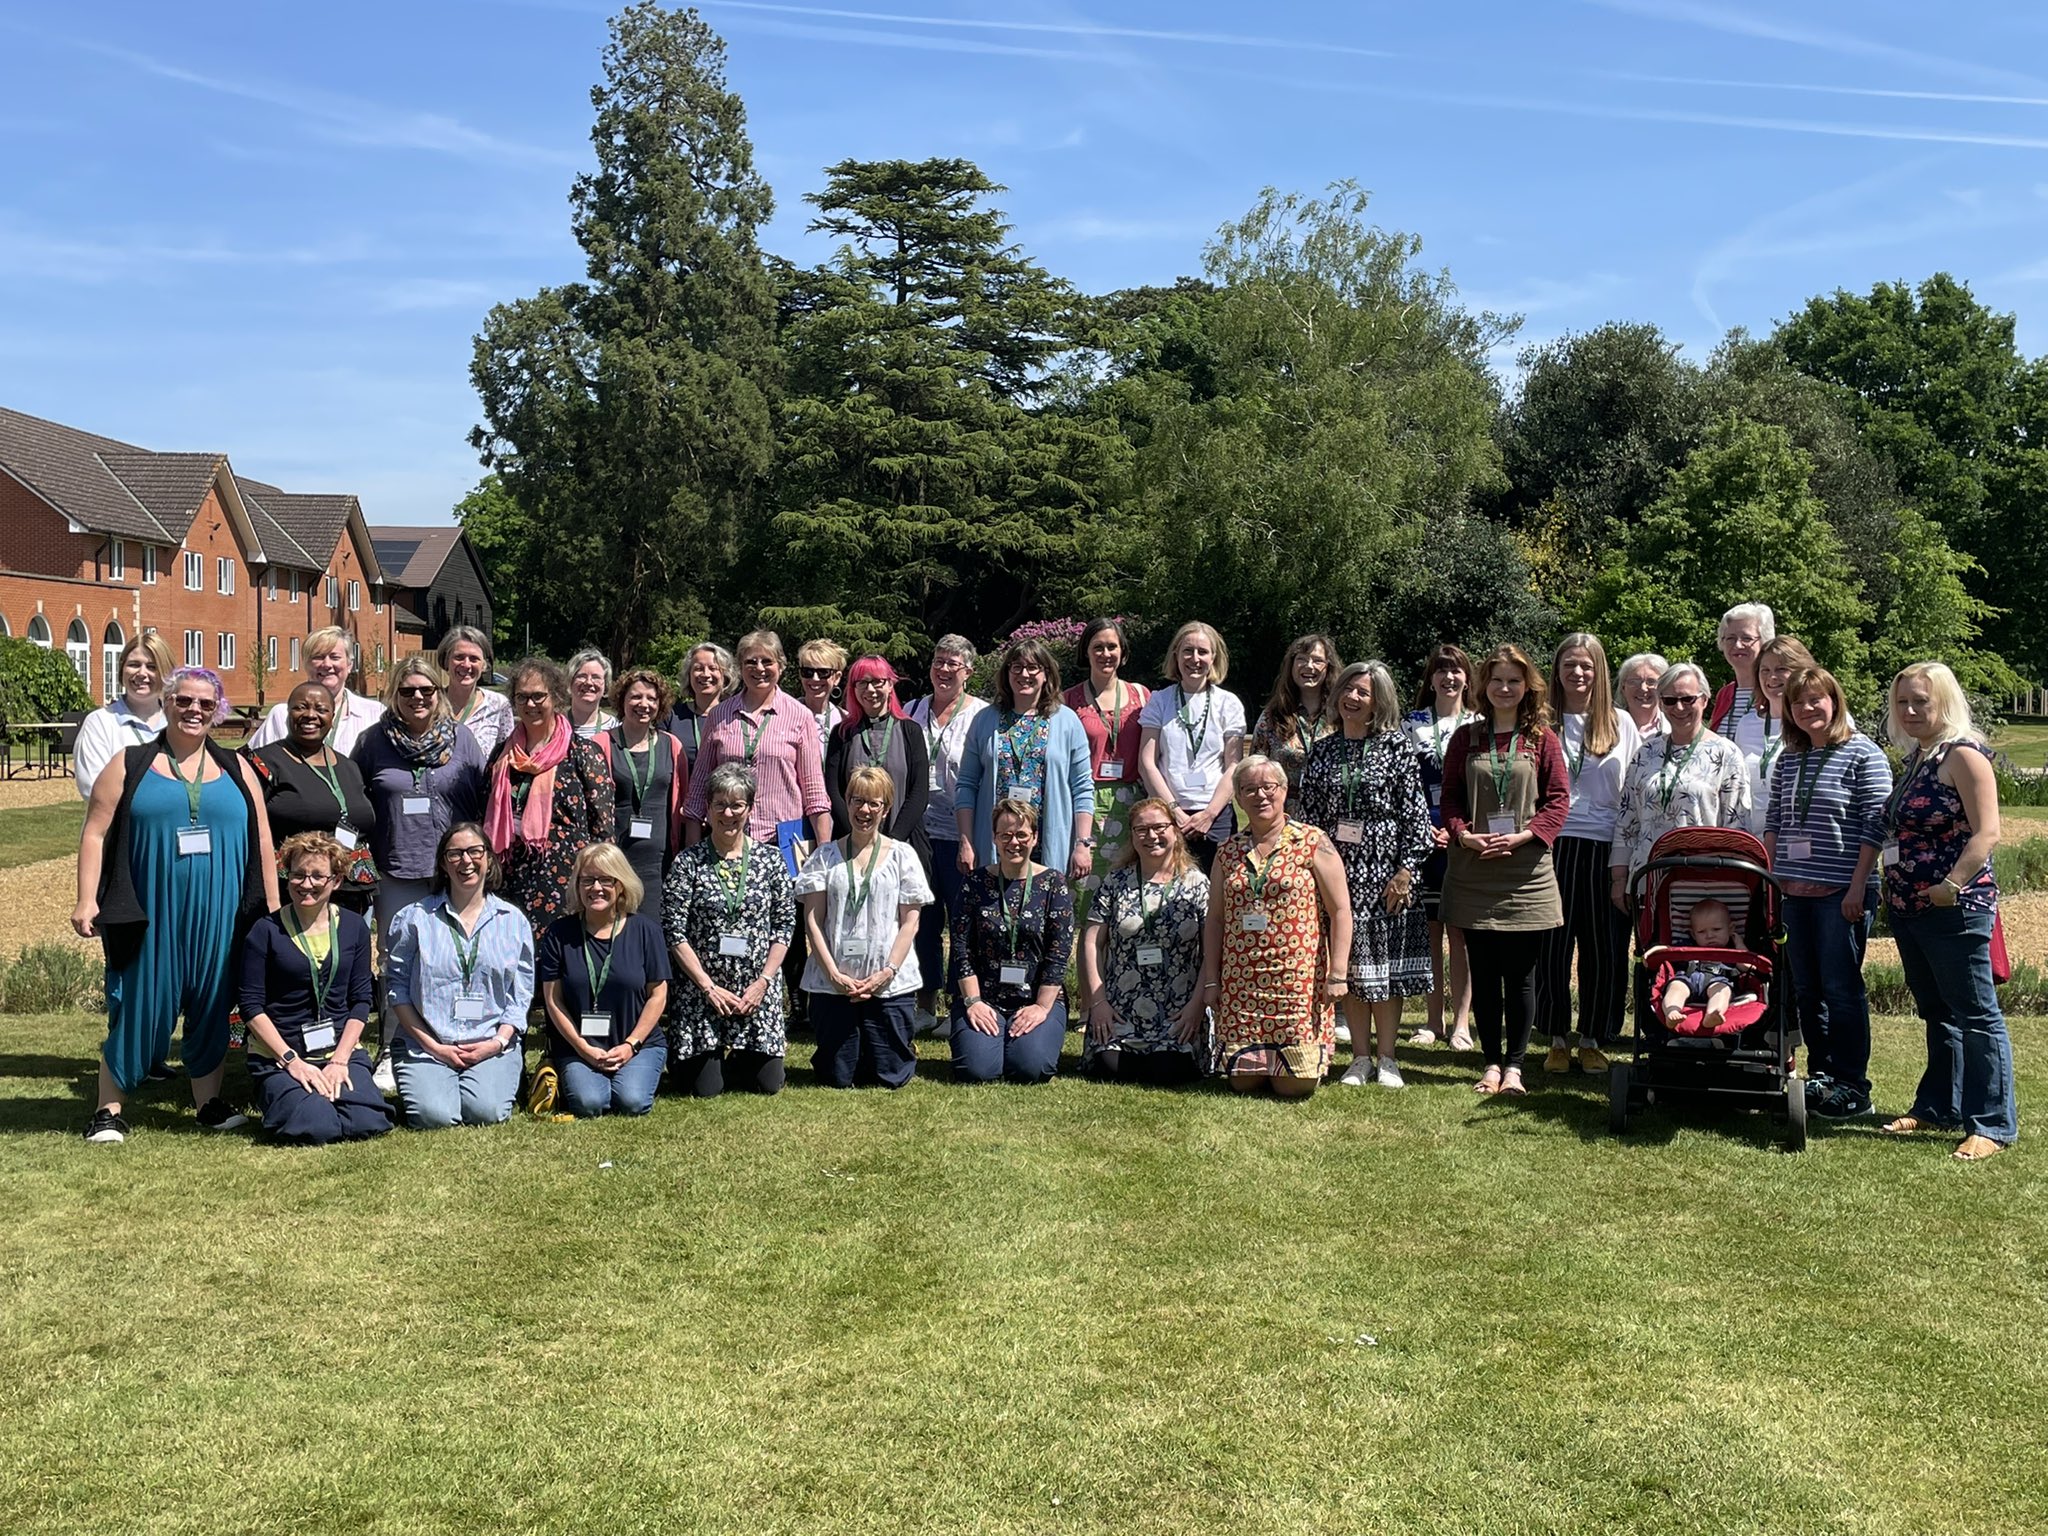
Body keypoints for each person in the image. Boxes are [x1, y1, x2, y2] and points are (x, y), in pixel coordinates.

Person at [75, 665, 277, 1143]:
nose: (194, 711)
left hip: (222, 912)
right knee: (142, 1002)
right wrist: (87, 899)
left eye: (206, 704)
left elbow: (262, 839)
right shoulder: (130, 762)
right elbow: (95, 832)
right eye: (184, 700)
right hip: (151, 910)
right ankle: (108, 1109)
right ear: (167, 703)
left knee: (213, 1003)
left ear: (218, 711)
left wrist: (270, 907)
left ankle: (207, 1103)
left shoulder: (237, 767)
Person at [1878, 662, 2016, 1162]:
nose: (1911, 710)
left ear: (1944, 703)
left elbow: (1987, 833)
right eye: (1903, 702)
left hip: (1954, 907)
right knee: (1939, 1014)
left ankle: (1993, 1124)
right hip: (1910, 907)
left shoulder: (1963, 755)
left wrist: (1952, 885)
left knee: (1977, 1015)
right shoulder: (1918, 757)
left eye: (1921, 701)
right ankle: (1938, 1106)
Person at [352, 655, 488, 1092]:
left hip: (455, 871)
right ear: (395, 693)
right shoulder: (373, 741)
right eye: (407, 690)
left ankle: (452, 1042)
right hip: (395, 870)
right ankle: (394, 1049)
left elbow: (480, 805)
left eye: (426, 690)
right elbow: (355, 804)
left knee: (452, 961)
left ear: (439, 693)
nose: (417, 698)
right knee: (397, 962)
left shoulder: (463, 740)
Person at [1440, 645, 1571, 1097]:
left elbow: (1558, 800)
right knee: (1484, 971)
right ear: (1484, 686)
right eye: (1496, 680)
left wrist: (1526, 836)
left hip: (1526, 872)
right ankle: (1491, 1064)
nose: (1504, 688)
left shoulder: (1542, 739)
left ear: (1527, 686)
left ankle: (1515, 1067)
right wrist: (1462, 834)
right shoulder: (1466, 739)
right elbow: (1451, 799)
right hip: (1475, 869)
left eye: (1514, 680)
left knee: (1521, 977)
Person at [1762, 664, 1889, 1119]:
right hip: (1794, 893)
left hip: (1842, 894)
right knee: (1808, 990)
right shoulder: (1790, 757)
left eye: (1816, 699)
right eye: (1798, 702)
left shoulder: (1863, 754)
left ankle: (1853, 1085)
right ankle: (1822, 1076)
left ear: (1835, 701)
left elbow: (1876, 827)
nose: (1807, 708)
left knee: (1841, 989)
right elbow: (1774, 822)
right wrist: (1770, 882)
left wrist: (1858, 887)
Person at [1300, 661, 1434, 1089]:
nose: (1352, 698)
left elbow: (1415, 817)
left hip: (1385, 875)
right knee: (1352, 970)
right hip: (1337, 874)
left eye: (1363, 692)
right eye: (1348, 690)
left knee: (1386, 969)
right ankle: (1359, 1057)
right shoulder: (1322, 751)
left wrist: (1406, 871)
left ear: (1379, 701)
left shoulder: (1396, 748)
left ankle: (1388, 1057)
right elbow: (1311, 819)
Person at [1202, 755, 1352, 1097]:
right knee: (1243, 1082)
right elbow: (1215, 919)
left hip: (1295, 979)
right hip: (1242, 981)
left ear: (1284, 790)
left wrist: (1338, 973)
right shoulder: (1228, 851)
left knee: (1293, 1085)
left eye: (1269, 787)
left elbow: (1341, 909)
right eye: (1249, 789)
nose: (1260, 796)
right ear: (1238, 798)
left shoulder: (1313, 841)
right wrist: (1213, 978)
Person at [237, 831, 393, 1144]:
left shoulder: (354, 928)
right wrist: (292, 1061)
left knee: (367, 1121)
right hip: (281, 1054)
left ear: (336, 880)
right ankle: (286, 1095)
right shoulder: (265, 931)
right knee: (317, 1126)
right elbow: (251, 1007)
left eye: (318, 876)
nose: (306, 884)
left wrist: (339, 1061)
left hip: (339, 1051)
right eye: (298, 875)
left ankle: (320, 1095)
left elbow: (361, 1001)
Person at [383, 823, 535, 1128]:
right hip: (427, 1045)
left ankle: (491, 1076)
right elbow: (397, 989)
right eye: (455, 854)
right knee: (434, 1116)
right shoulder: (414, 919)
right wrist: (434, 1046)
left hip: (490, 1044)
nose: (466, 861)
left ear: (489, 859)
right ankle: (439, 1080)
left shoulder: (513, 921)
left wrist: (497, 1043)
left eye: (475, 851)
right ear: (442, 863)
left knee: (486, 1112)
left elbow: (521, 994)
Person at [1535, 633, 1640, 1075]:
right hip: (1551, 846)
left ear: (1599, 670)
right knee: (1552, 946)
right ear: (1556, 671)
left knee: (1602, 949)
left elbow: (1632, 798)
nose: (1577, 673)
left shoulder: (1621, 723)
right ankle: (1557, 1037)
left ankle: (1592, 1037)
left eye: (1586, 666)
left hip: (1605, 847)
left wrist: (1624, 865)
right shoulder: (1541, 723)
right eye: (1569, 665)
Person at [663, 762, 797, 1097]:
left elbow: (784, 925)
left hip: (756, 993)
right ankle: (699, 1057)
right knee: (705, 1089)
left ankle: (739, 1054)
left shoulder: (770, 860)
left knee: (767, 1085)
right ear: (707, 808)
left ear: (750, 809)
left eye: (737, 805)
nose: (728, 813)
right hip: (703, 994)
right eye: (719, 804)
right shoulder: (687, 862)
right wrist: (708, 988)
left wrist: (763, 983)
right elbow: (674, 931)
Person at [796, 765, 932, 1088]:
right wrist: (832, 974)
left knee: (889, 1075)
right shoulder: (824, 857)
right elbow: (812, 921)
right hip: (834, 984)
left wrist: (887, 973)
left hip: (888, 984)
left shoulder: (903, 856)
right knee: (837, 1076)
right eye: (857, 800)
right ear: (846, 801)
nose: (864, 810)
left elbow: (910, 922)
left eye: (874, 803)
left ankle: (896, 1045)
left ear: (885, 809)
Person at [1078, 797, 1209, 1084]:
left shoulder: (1197, 884)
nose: (1151, 836)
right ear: (1132, 835)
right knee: (1109, 1067)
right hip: (1120, 1010)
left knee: (1168, 1070)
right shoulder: (1114, 882)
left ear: (1175, 830)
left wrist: (1196, 1007)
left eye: (1160, 827)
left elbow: (1211, 952)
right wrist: (1097, 1002)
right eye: (1142, 829)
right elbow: (1091, 942)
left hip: (1178, 1010)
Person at [484, 656, 617, 931]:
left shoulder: (582, 753)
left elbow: (603, 828)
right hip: (507, 874)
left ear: (555, 697)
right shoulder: (502, 754)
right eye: (522, 697)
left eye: (538, 696)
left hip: (562, 878)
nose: (530, 705)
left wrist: (597, 881)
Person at [538, 843, 670, 1118]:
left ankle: (630, 1072)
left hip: (637, 1044)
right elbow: (553, 1001)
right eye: (587, 879)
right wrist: (582, 1048)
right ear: (577, 885)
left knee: (632, 1101)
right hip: (578, 1046)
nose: (595, 887)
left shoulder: (647, 931)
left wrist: (630, 1045)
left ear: (621, 884)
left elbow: (657, 995)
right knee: (589, 1103)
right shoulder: (558, 934)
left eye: (605, 879)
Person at [681, 630, 832, 867]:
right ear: (740, 668)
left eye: (767, 661)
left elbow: (814, 793)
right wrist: (691, 853)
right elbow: (699, 788)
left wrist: (824, 855)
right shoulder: (719, 715)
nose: (759, 668)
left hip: (783, 843)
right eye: (751, 661)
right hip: (727, 839)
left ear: (781, 666)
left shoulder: (800, 716)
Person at [951, 798, 1075, 1085]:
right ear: (994, 838)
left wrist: (1041, 1008)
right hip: (984, 998)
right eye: (1005, 834)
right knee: (977, 1071)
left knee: (1030, 1069)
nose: (1013, 842)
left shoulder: (1054, 883)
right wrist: (973, 1001)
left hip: (1036, 998)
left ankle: (1020, 1042)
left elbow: (1059, 954)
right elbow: (960, 948)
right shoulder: (975, 883)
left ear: (1034, 837)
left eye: (1021, 834)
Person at [956, 637, 1095, 886]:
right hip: (995, 842)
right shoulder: (984, 720)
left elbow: (1083, 788)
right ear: (1007, 673)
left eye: (1033, 667)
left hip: (1048, 843)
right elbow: (966, 784)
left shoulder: (1068, 721)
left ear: (1046, 674)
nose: (1024, 674)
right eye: (1017, 667)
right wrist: (966, 841)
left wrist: (1082, 844)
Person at [1610, 662, 1750, 893]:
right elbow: (1627, 820)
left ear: (1704, 700)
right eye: (1670, 700)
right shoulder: (1646, 752)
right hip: (1647, 879)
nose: (1679, 707)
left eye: (1688, 699)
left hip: (1704, 880)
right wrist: (1618, 878)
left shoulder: (1726, 753)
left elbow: (1737, 826)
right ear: (1661, 704)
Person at [907, 635, 987, 1033]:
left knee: (962, 922)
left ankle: (961, 1002)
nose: (943, 669)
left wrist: (973, 838)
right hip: (918, 835)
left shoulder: (983, 715)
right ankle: (925, 1003)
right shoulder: (911, 709)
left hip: (963, 835)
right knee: (922, 920)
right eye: (939, 661)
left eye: (953, 663)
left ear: (968, 672)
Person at [1403, 643, 1480, 1049]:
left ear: (1468, 677)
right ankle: (1432, 1021)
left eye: (1456, 671)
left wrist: (1459, 828)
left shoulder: (1481, 723)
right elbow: (1406, 786)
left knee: (1461, 934)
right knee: (1430, 932)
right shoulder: (1410, 724)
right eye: (1441, 670)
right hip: (1424, 841)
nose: (1449, 678)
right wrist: (1423, 829)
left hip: (1466, 840)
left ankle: (1462, 1023)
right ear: (1430, 678)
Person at [248, 681, 379, 916]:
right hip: (295, 891)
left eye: (321, 709)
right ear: (287, 713)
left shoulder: (349, 765)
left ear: (332, 715)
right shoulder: (263, 763)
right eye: (301, 707)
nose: (311, 715)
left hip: (351, 889)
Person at [1062, 618, 1152, 932]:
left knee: (1129, 889)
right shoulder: (1068, 701)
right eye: (1097, 647)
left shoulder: (1142, 697)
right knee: (1085, 893)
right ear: (1085, 652)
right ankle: (1088, 971)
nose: (1105, 653)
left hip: (1133, 804)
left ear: (1123, 652)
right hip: (1085, 803)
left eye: (1112, 646)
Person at [1137, 621, 1247, 874]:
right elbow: (1147, 763)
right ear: (1176, 655)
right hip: (1167, 815)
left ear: (1214, 657)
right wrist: (1174, 811)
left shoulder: (1228, 703)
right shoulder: (1159, 701)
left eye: (1202, 652)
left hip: (1215, 816)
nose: (1194, 658)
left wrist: (1209, 814)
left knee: (1216, 894)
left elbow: (1233, 765)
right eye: (1187, 651)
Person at [825, 656, 932, 875]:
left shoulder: (910, 731)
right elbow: (833, 790)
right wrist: (857, 836)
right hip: (852, 844)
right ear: (853, 689)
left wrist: (890, 844)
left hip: (902, 843)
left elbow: (919, 792)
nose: (870, 689)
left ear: (890, 685)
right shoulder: (842, 733)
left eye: (877, 682)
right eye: (862, 683)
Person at [596, 668, 689, 894]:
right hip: (613, 861)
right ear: (622, 700)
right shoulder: (599, 744)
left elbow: (684, 800)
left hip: (659, 864)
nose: (644, 704)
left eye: (651, 698)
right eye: (636, 696)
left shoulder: (673, 746)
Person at [248, 627, 385, 754]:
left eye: (335, 657)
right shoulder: (281, 716)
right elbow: (251, 764)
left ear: (349, 665)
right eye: (318, 657)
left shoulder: (374, 714)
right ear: (305, 664)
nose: (326, 664)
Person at [73, 630, 172, 798]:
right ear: (122, 668)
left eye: (152, 667)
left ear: (166, 672)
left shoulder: (176, 722)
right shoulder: (100, 723)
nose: (142, 673)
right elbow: (93, 789)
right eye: (134, 664)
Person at [1251, 633, 1341, 811]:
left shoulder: (1342, 715)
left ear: (1328, 667)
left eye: (1317, 660)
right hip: (1284, 814)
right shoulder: (1272, 716)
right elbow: (1254, 769)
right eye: (1302, 659)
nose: (1309, 666)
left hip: (1331, 812)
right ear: (1291, 665)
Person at [1744, 635, 1819, 835]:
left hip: (1806, 839)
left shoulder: (1819, 721)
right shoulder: (1745, 724)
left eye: (1781, 669)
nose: (1772, 677)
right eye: (1765, 670)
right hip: (1754, 842)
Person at [1658, 898, 1760, 1033]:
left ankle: (1713, 1013)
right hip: (1688, 978)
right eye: (1701, 932)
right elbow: (1666, 950)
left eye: (1716, 929)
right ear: (1693, 934)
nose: (1710, 935)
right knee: (1676, 988)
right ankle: (1672, 1011)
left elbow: (1748, 967)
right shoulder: (1687, 945)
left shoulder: (1733, 950)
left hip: (1719, 980)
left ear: (1731, 929)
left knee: (1722, 991)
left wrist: (1739, 945)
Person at [1707, 602, 1774, 756]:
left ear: (1765, 641)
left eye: (1746, 638)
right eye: (1730, 638)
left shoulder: (1775, 692)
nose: (1737, 645)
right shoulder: (1725, 694)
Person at [439, 626, 513, 759]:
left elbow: (506, 756)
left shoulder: (498, 705)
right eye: (459, 657)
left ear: (484, 665)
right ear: (446, 661)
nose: (466, 665)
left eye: (474, 659)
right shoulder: (430, 703)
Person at [668, 641, 737, 772]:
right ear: (689, 675)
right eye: (698, 668)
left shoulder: (736, 716)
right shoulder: (672, 716)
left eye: (713, 668)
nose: (705, 674)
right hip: (682, 791)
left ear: (726, 675)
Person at [1615, 652, 1671, 743]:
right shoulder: (1608, 726)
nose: (1643, 688)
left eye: (1651, 682)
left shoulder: (1674, 728)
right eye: (1634, 682)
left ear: (1663, 688)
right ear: (1623, 688)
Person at [795, 639, 848, 735]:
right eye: (808, 672)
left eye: (823, 672)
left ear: (837, 678)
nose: (815, 678)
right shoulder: (786, 714)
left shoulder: (844, 720)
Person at [565, 648, 618, 740]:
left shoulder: (614, 727)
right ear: (570, 681)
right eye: (581, 676)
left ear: (605, 685)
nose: (589, 682)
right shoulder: (555, 723)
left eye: (595, 677)